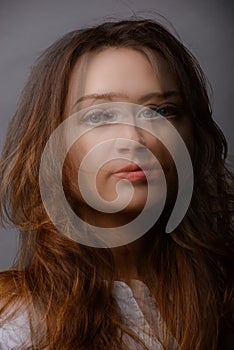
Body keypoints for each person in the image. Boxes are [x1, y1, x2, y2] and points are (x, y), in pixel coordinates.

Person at [0, 18, 233, 350]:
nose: (134, 139)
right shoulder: (14, 323)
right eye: (99, 116)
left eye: (161, 111)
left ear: (193, 137)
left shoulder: (222, 296)